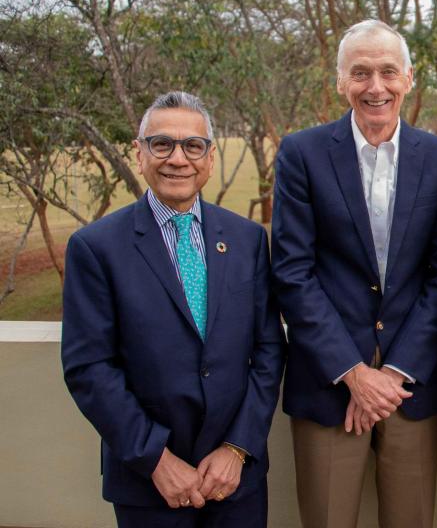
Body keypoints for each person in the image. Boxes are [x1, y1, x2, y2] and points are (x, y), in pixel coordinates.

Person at [61, 91, 286, 527]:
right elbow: (89, 367)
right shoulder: (96, 248)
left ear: (211, 156)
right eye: (161, 144)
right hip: (148, 483)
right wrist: (156, 460)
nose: (177, 159)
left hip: (235, 479)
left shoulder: (247, 240)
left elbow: (269, 348)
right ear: (139, 153)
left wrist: (237, 449)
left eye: (192, 146)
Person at [272, 19, 437, 528]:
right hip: (329, 379)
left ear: (408, 78)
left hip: (412, 381)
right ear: (340, 81)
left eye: (387, 72)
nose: (375, 87)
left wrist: (393, 374)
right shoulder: (301, 153)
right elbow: (292, 271)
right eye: (360, 73)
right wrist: (354, 373)